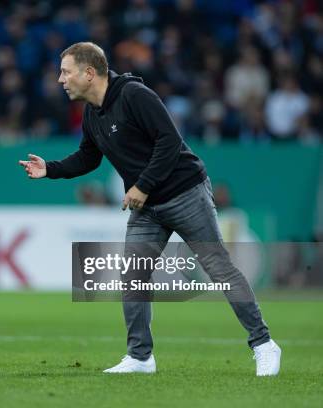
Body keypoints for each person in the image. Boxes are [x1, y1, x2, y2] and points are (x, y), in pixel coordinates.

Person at [19, 42, 281, 376]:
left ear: (89, 73)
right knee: (133, 274)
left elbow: (170, 141)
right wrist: (50, 169)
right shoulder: (92, 114)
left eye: (65, 72)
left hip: (185, 193)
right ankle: (140, 357)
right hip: (148, 207)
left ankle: (264, 344)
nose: (60, 80)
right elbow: (88, 157)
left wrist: (142, 185)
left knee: (218, 267)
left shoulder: (133, 95)